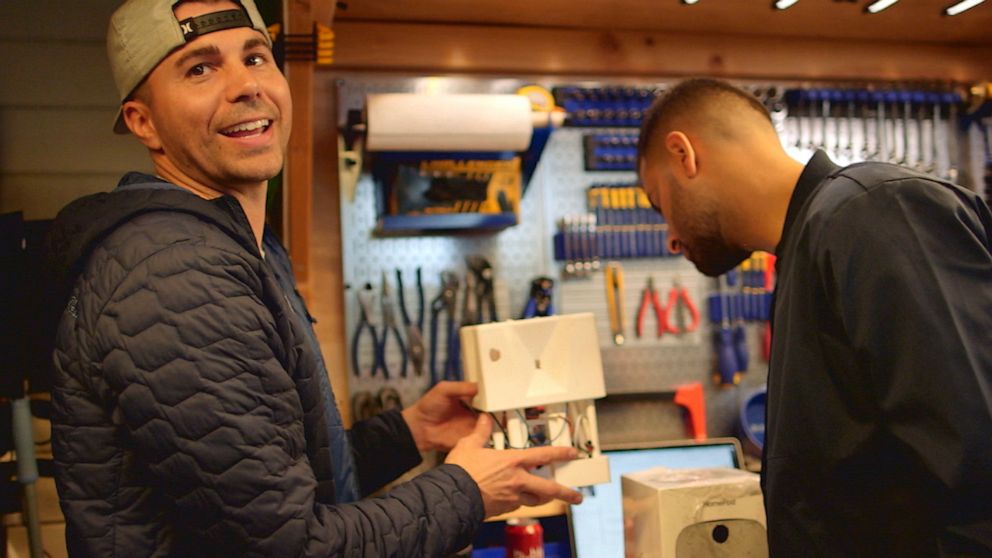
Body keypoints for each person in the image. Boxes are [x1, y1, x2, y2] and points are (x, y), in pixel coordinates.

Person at [45, 1, 582, 556]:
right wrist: (466, 492)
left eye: (255, 57)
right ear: (144, 122)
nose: (245, 86)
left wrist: (407, 433)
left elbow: (267, 483)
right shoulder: (174, 274)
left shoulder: (237, 246)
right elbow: (291, 546)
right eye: (200, 69)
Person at [637, 78, 992, 556]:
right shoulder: (809, 249)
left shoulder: (872, 212)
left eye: (661, 204)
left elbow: (977, 459)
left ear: (684, 156)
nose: (671, 239)